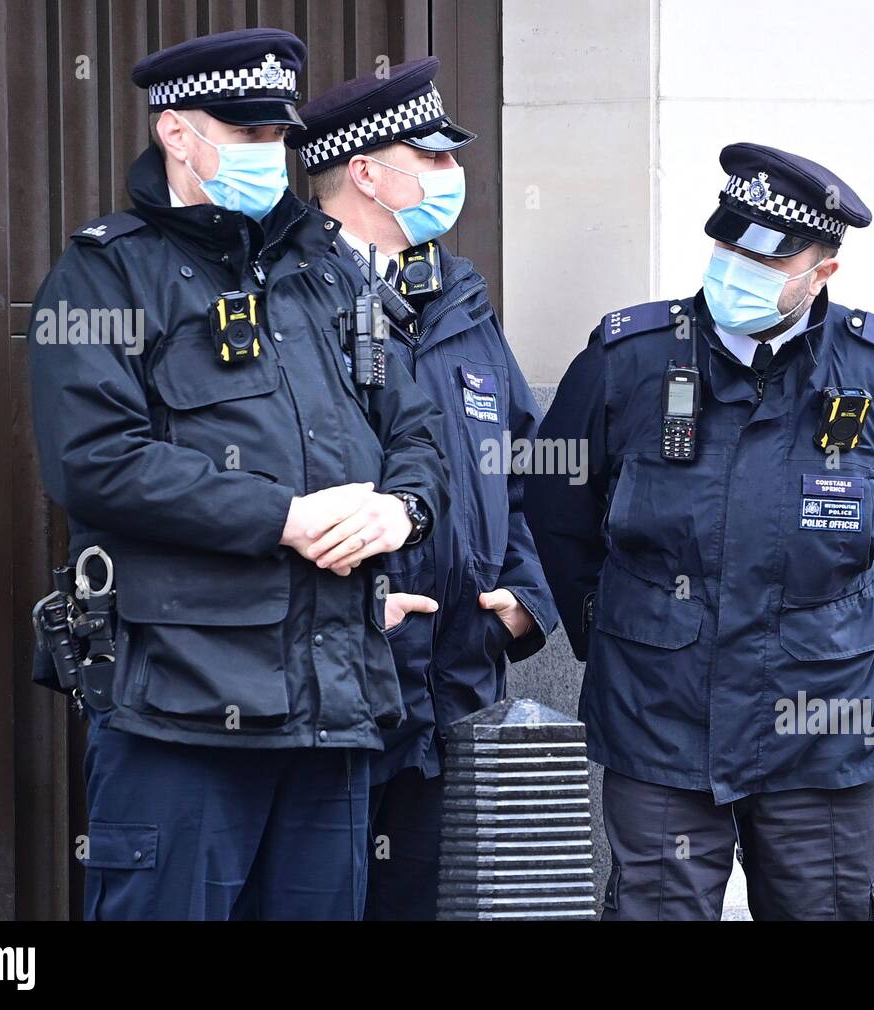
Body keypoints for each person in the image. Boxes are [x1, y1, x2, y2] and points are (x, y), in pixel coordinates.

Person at [27, 28, 448, 920]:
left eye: (277, 138)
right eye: (248, 136)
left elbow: (419, 430)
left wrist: (401, 513)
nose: (271, 156)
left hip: (333, 706)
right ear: (178, 133)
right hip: (181, 708)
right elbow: (97, 464)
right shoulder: (108, 274)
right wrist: (284, 518)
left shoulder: (327, 272)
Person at [526, 142, 874, 921]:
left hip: (821, 718)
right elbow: (558, 509)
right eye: (726, 247)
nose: (733, 270)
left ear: (822, 271)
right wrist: (621, 626)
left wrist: (832, 613)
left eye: (763, 261)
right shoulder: (629, 362)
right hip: (661, 713)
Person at [287, 56, 557, 920]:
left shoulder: (462, 307)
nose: (454, 176)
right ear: (366, 172)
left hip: (456, 694)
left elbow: (524, 472)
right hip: (332, 694)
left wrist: (523, 600)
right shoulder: (288, 299)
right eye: (432, 158)